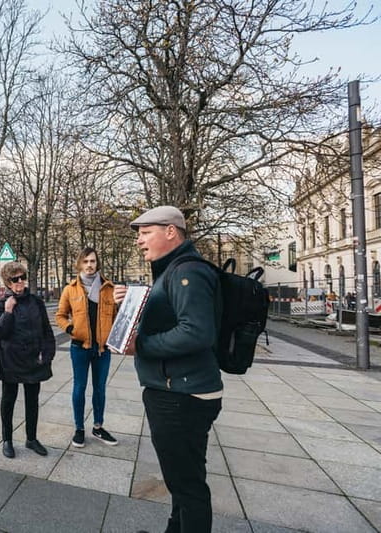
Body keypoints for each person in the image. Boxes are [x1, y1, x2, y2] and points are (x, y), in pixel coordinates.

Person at [131, 205, 223, 533]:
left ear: (171, 232)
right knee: (180, 480)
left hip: (182, 394)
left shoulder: (188, 271)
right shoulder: (171, 270)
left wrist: (139, 345)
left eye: (146, 232)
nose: (139, 241)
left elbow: (196, 332)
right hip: (174, 389)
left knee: (188, 486)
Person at [56, 247, 126, 448]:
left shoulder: (108, 288)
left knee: (100, 389)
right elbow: (60, 315)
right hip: (79, 347)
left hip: (102, 349)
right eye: (85, 261)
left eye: (93, 261)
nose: (89, 265)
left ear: (97, 264)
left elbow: (117, 317)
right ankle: (79, 428)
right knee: (79, 387)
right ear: (80, 264)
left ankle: (98, 427)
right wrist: (71, 329)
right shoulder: (71, 289)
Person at [0, 261, 55, 458]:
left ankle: (31, 438)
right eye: (15, 279)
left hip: (32, 360)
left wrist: (47, 354)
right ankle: (7, 440)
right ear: (8, 282)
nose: (20, 282)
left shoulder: (36, 302)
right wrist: (9, 311)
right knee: (9, 400)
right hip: (10, 360)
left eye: (22, 277)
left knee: (32, 400)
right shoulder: (2, 303)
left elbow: (46, 330)